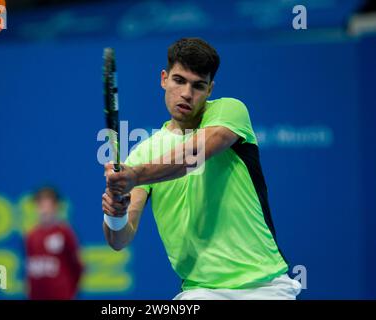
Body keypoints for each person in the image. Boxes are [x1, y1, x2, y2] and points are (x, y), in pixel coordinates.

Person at [102, 38, 302, 300]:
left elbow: (192, 154)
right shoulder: (143, 154)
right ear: (164, 79)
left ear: (210, 90)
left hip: (264, 286)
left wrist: (135, 175)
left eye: (198, 86)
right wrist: (115, 214)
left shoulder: (230, 111)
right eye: (179, 80)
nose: (187, 93)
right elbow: (120, 240)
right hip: (200, 291)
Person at [25, 186, 84, 300]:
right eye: (40, 204)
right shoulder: (31, 236)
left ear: (56, 206)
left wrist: (70, 291)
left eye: (48, 204)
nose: (44, 209)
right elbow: (30, 269)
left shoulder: (65, 232)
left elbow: (77, 265)